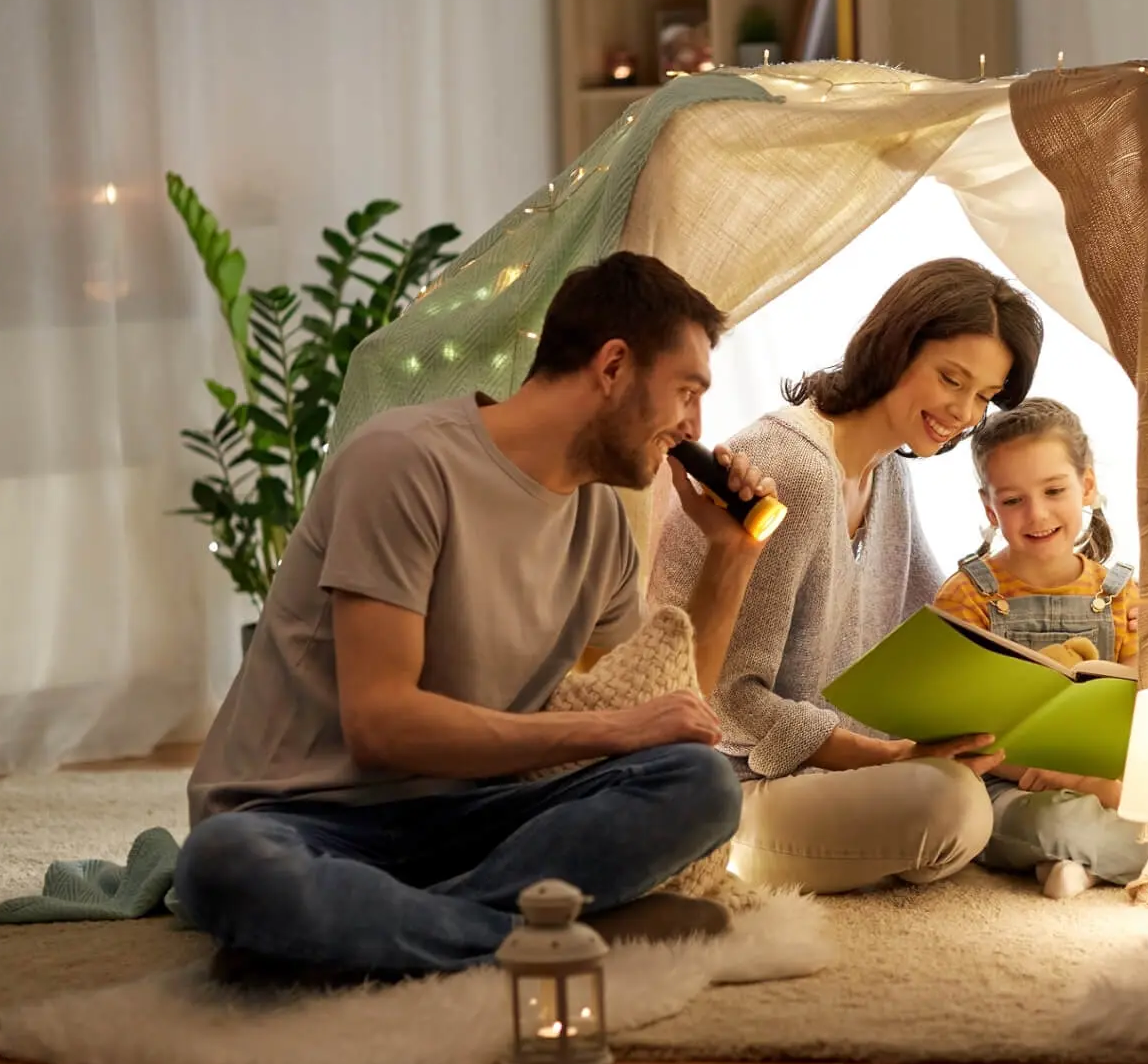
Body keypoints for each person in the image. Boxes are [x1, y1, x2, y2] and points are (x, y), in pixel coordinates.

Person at [176, 251, 777, 982]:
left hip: (473, 821)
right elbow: (382, 725)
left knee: (699, 783)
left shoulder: (603, 527)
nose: (695, 426)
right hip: (304, 817)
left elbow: (668, 717)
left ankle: (381, 936)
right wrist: (613, 729)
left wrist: (732, 557)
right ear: (613, 367)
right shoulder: (405, 463)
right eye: (687, 391)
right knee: (224, 865)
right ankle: (542, 937)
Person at [647, 258, 1045, 893]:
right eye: (952, 378)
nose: (964, 412)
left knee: (979, 787)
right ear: (896, 346)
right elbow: (727, 699)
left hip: (830, 777)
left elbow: (940, 623)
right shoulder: (793, 470)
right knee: (951, 807)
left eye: (985, 397)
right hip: (728, 784)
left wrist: (1065, 645)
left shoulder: (888, 473)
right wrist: (894, 757)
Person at [930, 398, 1148, 899]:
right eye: (1012, 500)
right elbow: (959, 730)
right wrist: (1067, 779)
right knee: (1051, 823)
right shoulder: (966, 595)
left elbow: (1134, 712)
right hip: (1005, 787)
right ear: (989, 507)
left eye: (1054, 490)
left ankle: (1081, 865)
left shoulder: (1122, 592)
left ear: (1087, 485)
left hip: (1106, 785)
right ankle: (1088, 856)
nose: (1036, 514)